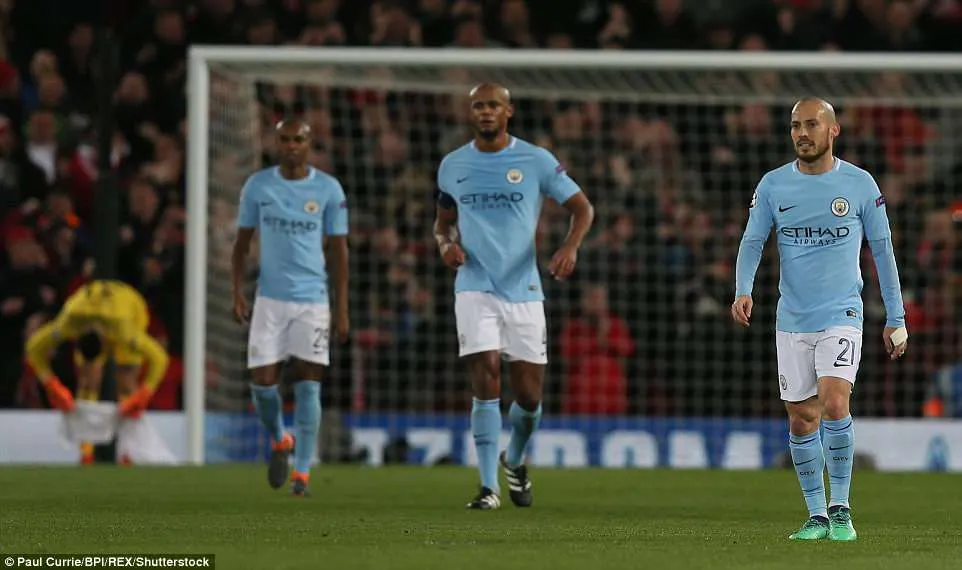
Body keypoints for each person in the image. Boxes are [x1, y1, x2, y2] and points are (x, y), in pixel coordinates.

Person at [732, 98, 908, 541]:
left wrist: (897, 316)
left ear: (833, 130)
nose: (802, 133)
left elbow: (883, 251)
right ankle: (816, 516)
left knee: (834, 404)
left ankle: (841, 510)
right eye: (796, 125)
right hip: (792, 318)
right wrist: (743, 289)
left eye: (811, 124)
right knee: (801, 419)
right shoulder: (774, 185)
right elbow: (752, 240)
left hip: (842, 313)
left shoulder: (860, 184)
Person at [434, 83, 595, 510]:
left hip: (523, 290)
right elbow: (442, 223)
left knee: (529, 397)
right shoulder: (453, 165)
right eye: (478, 106)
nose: (485, 112)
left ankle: (515, 458)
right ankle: (488, 488)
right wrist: (445, 245)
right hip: (474, 286)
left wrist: (570, 247)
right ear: (471, 113)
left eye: (493, 105)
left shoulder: (536, 160)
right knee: (485, 376)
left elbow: (583, 208)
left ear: (509, 111)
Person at [231, 119, 349, 497]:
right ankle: (281, 438)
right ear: (276, 143)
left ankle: (302, 473)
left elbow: (339, 251)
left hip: (312, 300)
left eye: (298, 139)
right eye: (284, 139)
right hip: (269, 300)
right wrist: (237, 292)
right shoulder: (258, 186)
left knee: (308, 383)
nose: (291, 145)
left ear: (309, 144)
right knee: (262, 383)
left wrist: (342, 307)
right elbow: (241, 244)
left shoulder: (328, 189)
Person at [25, 279, 170, 463]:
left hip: (130, 311)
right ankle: (86, 450)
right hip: (89, 307)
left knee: (126, 383)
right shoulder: (70, 322)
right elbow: (33, 348)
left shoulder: (123, 331)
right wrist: (52, 385)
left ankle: (128, 451)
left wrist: (144, 393)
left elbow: (159, 358)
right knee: (87, 380)